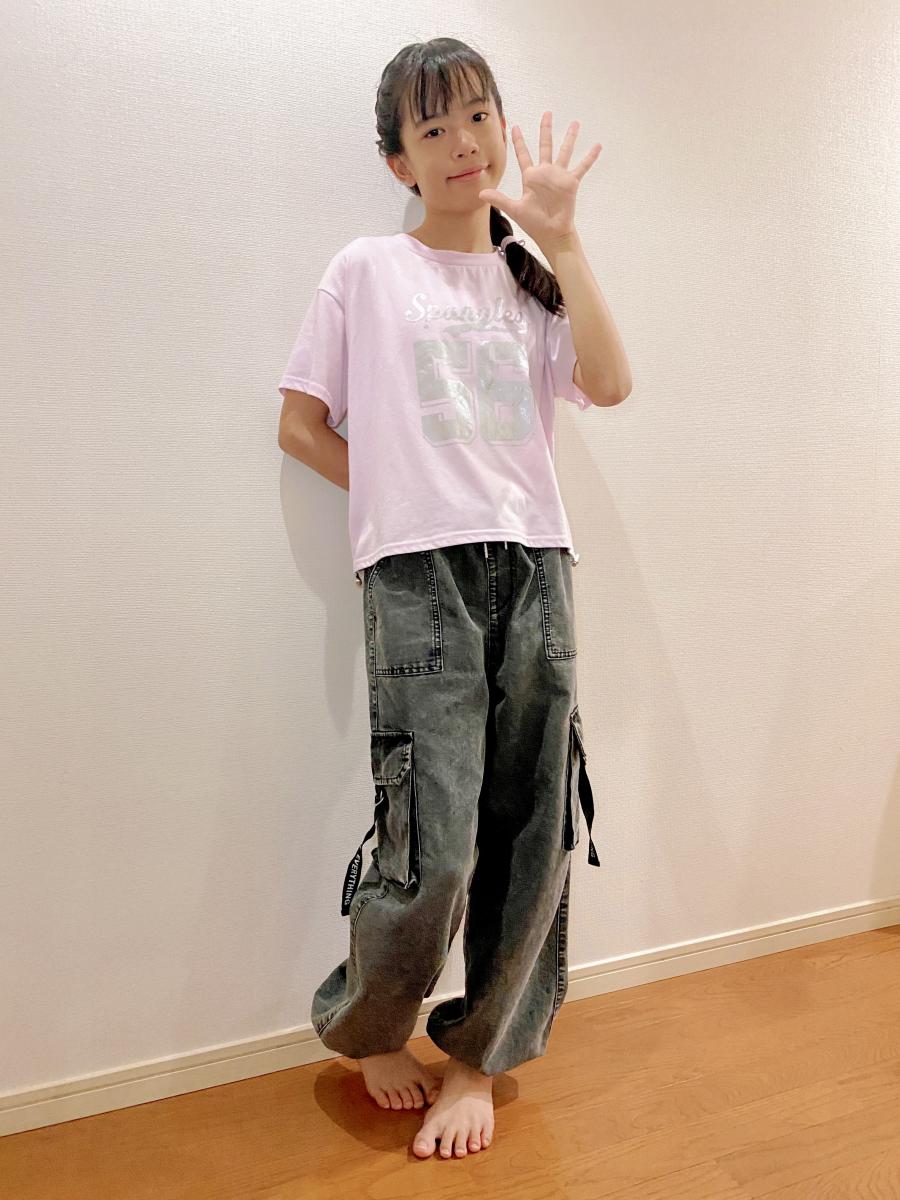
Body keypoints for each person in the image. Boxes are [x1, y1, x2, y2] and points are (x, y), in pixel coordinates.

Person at [277, 37, 632, 1162]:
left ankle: (479, 1056)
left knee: (532, 820)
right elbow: (300, 425)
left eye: (477, 116)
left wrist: (565, 239)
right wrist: (400, 492)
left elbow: (611, 383)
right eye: (432, 129)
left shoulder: (532, 274)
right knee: (429, 835)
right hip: (417, 574)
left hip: (536, 568)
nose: (462, 143)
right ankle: (373, 1027)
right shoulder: (365, 270)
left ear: (502, 129)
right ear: (400, 161)